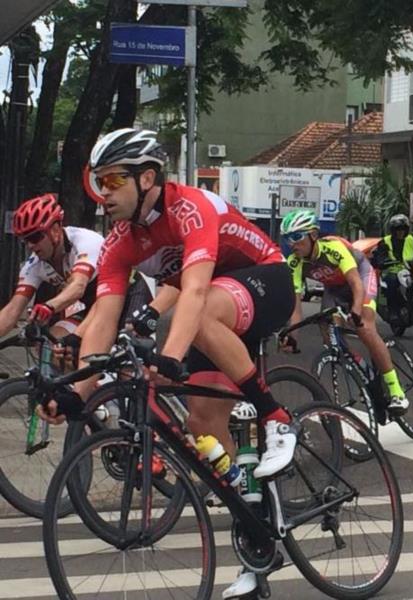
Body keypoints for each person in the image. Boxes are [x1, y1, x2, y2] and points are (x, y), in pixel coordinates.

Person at [38, 128, 296, 599]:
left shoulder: (189, 206)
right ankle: (257, 543)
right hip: (214, 309)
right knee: (202, 423)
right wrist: (75, 394)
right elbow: (102, 317)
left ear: (148, 177)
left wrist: (170, 357)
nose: (103, 192)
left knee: (194, 318)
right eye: (98, 181)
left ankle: (276, 417)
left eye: (113, 180)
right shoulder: (121, 241)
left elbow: (194, 292)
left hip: (264, 280)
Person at [279, 209, 409, 415]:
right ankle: (360, 369)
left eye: (296, 237)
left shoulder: (333, 248)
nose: (291, 244)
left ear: (313, 235)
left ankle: (396, 391)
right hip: (335, 289)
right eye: (287, 239)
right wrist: (292, 335)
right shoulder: (294, 262)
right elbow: (295, 307)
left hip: (360, 277)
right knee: (328, 333)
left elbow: (357, 284)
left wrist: (356, 310)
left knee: (365, 327)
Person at [0, 194, 104, 339]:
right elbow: (12, 311)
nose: (30, 245)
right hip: (94, 307)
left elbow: (78, 287)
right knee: (53, 341)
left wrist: (48, 306)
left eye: (34, 238)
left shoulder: (85, 241)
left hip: (126, 297)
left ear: (55, 231)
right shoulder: (34, 264)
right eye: (25, 240)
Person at [373, 214, 413, 324]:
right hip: (392, 270)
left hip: (411, 269)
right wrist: (383, 261)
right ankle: (393, 311)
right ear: (393, 230)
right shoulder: (385, 242)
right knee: (392, 283)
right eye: (397, 229)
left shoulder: (412, 240)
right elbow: (380, 256)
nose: (400, 232)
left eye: (403, 229)